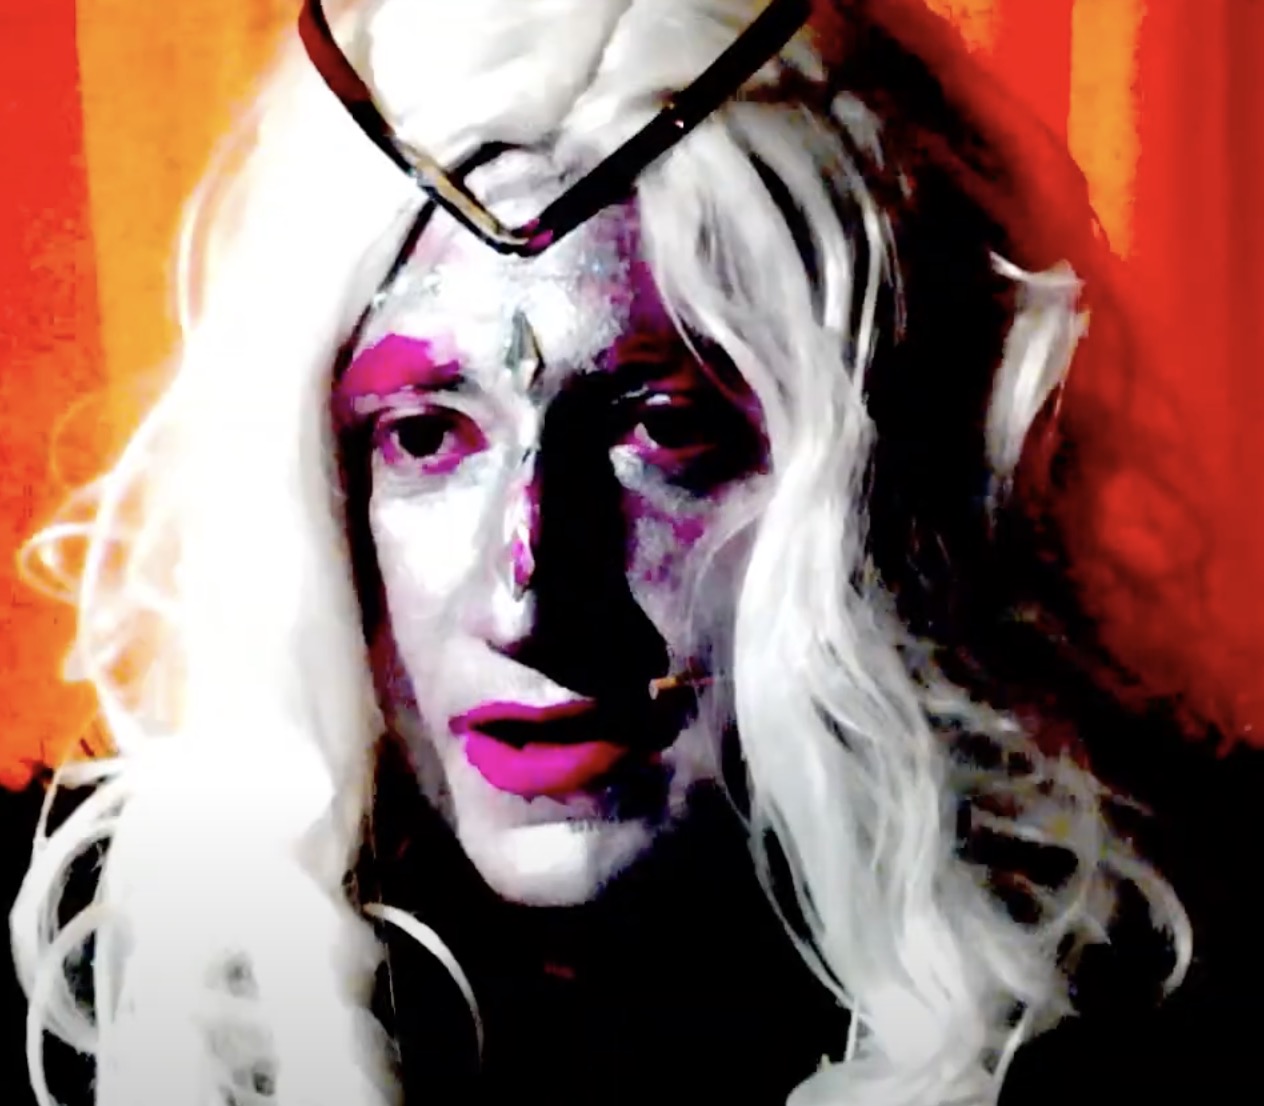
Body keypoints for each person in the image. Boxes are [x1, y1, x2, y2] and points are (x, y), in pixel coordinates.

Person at [8, 1, 1213, 1103]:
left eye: (666, 429)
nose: (528, 597)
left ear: (893, 482)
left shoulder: (1172, 998)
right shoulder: (111, 1010)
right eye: (424, 435)